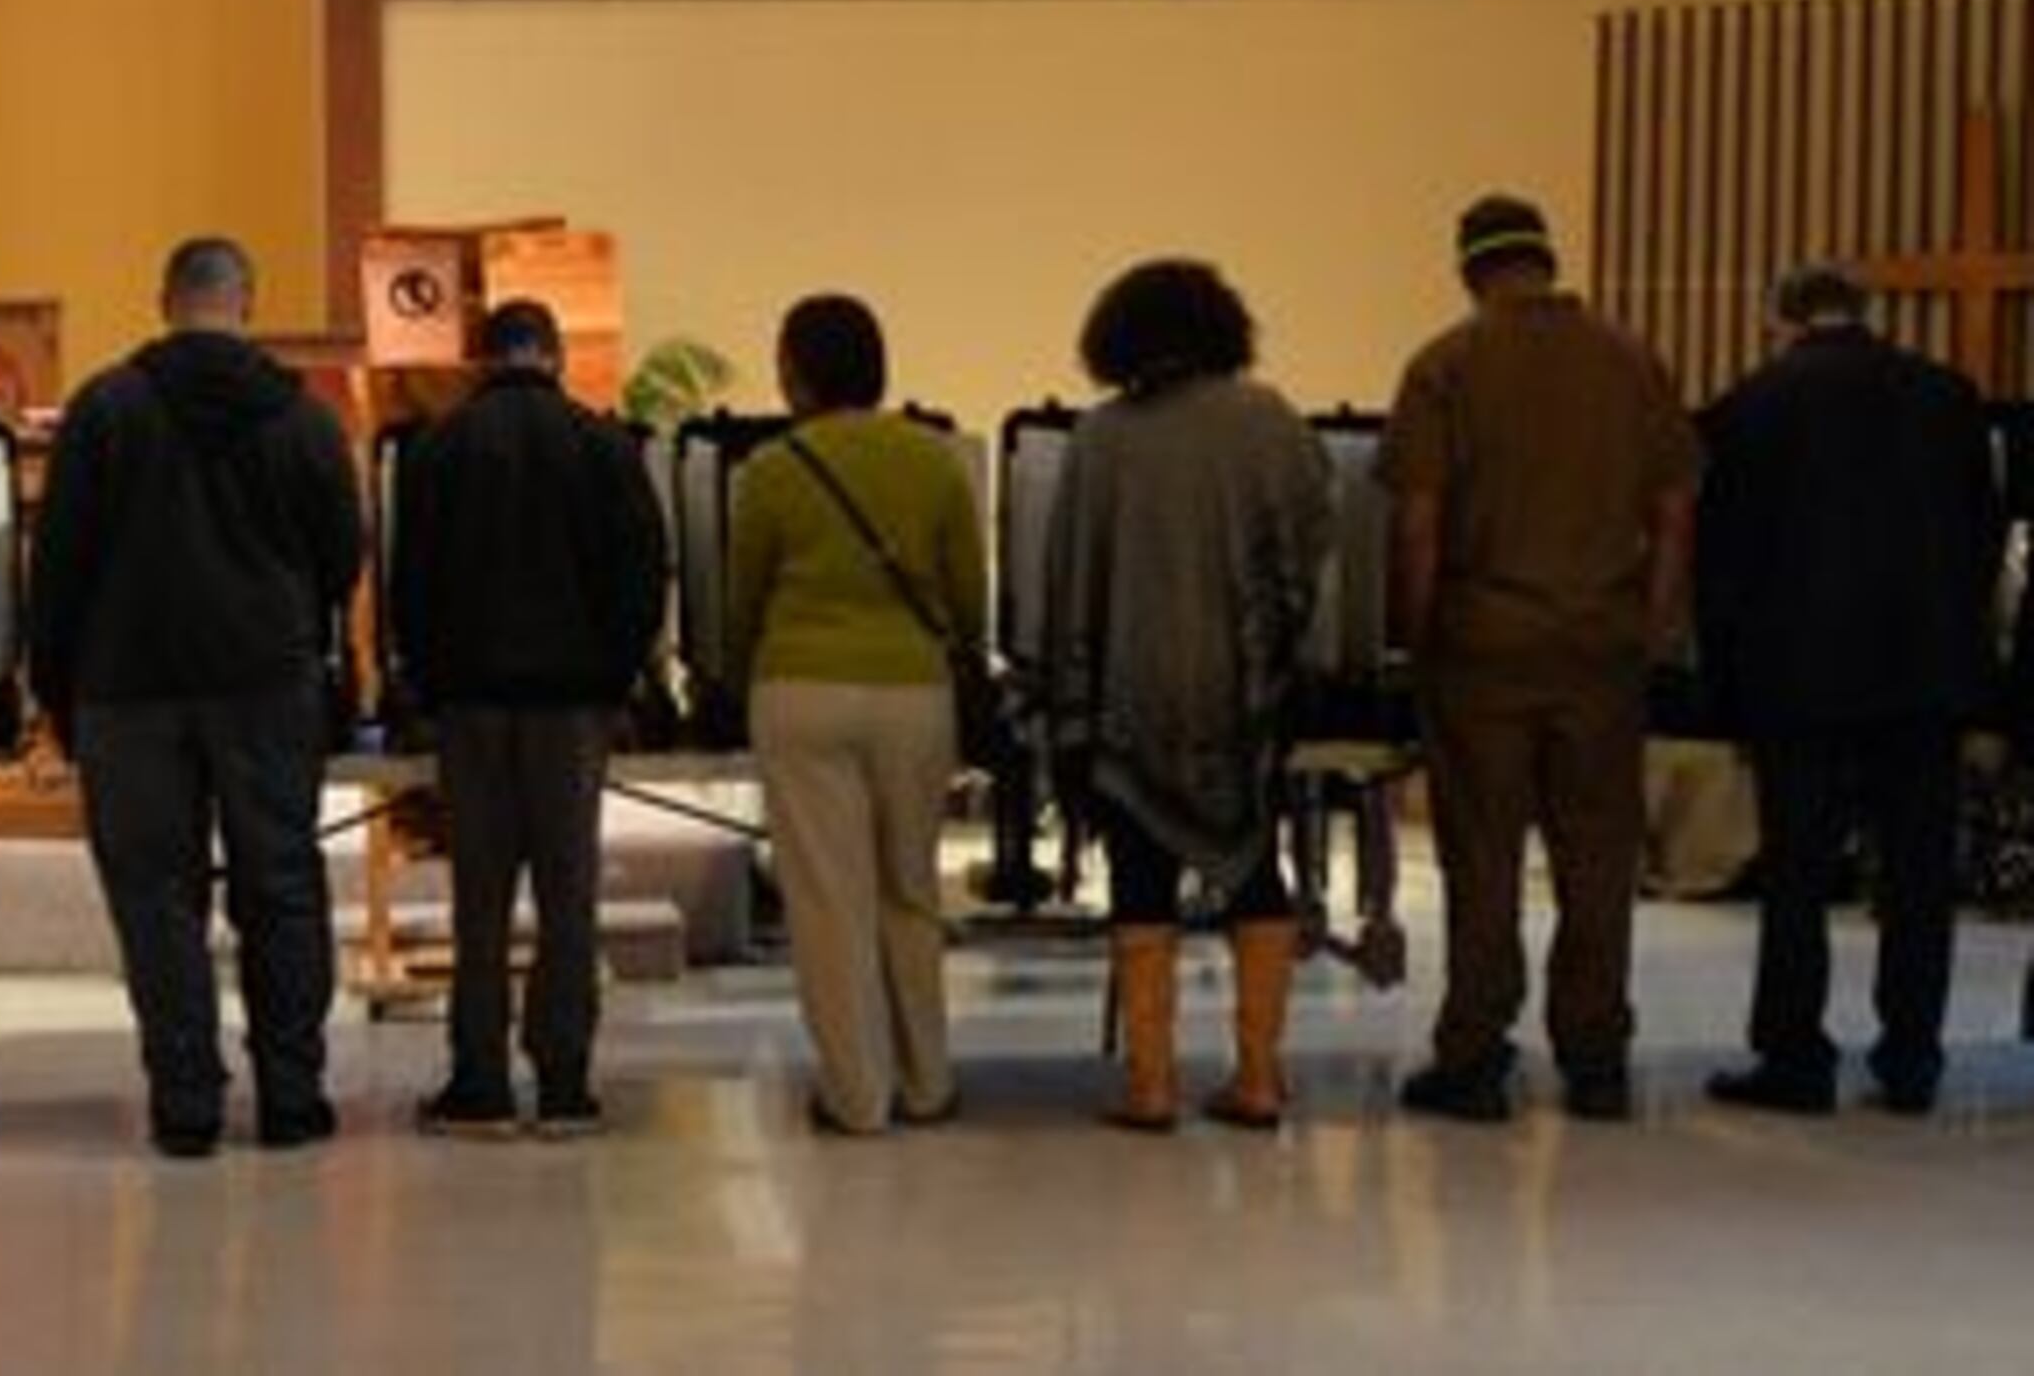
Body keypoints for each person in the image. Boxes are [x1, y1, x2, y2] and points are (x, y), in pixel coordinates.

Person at [33, 235, 364, 1159]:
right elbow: (342, 552)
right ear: (245, 303)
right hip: (266, 679)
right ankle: (292, 1094)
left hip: (130, 687)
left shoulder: (105, 411)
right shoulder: (301, 416)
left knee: (155, 895)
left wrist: (56, 686)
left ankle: (187, 1101)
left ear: (163, 299)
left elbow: (58, 564)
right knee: (283, 887)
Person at [1383, 195, 1697, 1125]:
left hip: (1483, 645)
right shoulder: (1632, 361)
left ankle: (1474, 1057)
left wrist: (1416, 636)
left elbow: (1418, 522)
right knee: (1598, 859)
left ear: (1469, 268)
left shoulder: (1445, 364)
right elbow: (1676, 514)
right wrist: (1656, 626)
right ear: (1548, 261)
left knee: (1482, 859)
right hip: (1601, 646)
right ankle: (1596, 1060)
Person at [1695, 263, 1998, 1116]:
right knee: (1917, 875)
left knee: (1797, 874)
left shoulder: (1752, 407)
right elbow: (1982, 534)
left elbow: (1725, 562)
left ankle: (1795, 1056)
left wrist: (1726, 688)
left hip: (1800, 678)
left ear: (1781, 318)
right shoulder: (1948, 398)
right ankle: (1912, 1057)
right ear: (1863, 313)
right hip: (1924, 676)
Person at [1040, 260, 1333, 1131]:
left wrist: (1068, 703)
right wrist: (1280, 659)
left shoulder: (1103, 439)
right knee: (1255, 872)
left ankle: (1152, 1084)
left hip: (1133, 694)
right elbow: (1312, 551)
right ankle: (1257, 1075)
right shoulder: (1272, 423)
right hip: (1242, 694)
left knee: (1139, 880)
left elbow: (1069, 578)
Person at [390, 299, 667, 1140]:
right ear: (555, 356)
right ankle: (564, 1084)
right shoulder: (603, 445)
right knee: (568, 892)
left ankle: (479, 1081)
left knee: (480, 897)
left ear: (483, 358)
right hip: (572, 705)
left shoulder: (437, 449)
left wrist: (430, 689)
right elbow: (643, 576)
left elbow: (411, 585)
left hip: (472, 704)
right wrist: (616, 680)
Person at [714, 293, 980, 1137]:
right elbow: (970, 598)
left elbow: (741, 600)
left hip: (802, 691)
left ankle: (857, 1096)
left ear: (796, 371)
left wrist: (727, 676)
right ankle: (927, 1081)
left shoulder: (774, 469)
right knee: (910, 888)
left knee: (830, 901)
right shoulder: (935, 461)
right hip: (914, 696)